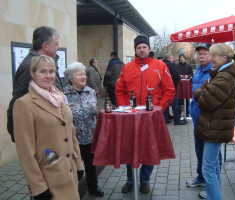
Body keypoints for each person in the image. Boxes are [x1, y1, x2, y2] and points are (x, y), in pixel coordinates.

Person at [13, 55, 84, 200]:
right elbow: (25, 151)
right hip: (49, 178)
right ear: (32, 74)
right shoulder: (24, 104)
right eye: (42, 71)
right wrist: (37, 186)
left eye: (51, 71)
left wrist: (78, 164)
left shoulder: (59, 97)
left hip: (69, 173)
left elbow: (71, 133)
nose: (48, 76)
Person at [115, 35, 175, 193]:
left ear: (149, 49)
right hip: (131, 117)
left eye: (144, 47)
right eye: (139, 47)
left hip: (152, 117)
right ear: (135, 50)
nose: (142, 50)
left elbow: (169, 91)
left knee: (150, 148)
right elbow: (119, 90)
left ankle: (144, 180)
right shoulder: (127, 68)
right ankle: (130, 179)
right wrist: (125, 107)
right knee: (130, 148)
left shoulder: (160, 66)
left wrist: (160, 108)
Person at [194, 43, 235, 199]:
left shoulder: (224, 77)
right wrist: (205, 88)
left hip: (214, 127)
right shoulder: (222, 74)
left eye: (214, 56)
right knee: (213, 165)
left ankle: (214, 197)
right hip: (215, 126)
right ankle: (215, 195)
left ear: (224, 58)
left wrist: (202, 90)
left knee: (208, 168)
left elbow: (204, 101)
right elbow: (205, 93)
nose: (211, 59)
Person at [7, 26, 62, 142]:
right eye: (56, 44)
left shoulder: (43, 62)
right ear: (46, 46)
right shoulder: (29, 66)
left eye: (51, 72)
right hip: (37, 133)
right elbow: (19, 101)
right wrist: (19, 135)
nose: (59, 47)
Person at [64, 62, 105, 197]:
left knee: (91, 164)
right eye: (79, 74)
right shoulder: (63, 95)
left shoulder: (91, 91)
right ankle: (71, 191)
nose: (83, 77)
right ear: (71, 78)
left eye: (84, 74)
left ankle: (93, 187)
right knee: (73, 166)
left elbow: (94, 113)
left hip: (89, 136)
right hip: (72, 138)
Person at [186, 43, 212, 197]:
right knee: (199, 151)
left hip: (208, 121)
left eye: (205, 53)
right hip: (197, 119)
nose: (201, 56)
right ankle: (201, 177)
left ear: (212, 55)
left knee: (211, 156)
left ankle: (212, 185)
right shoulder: (198, 72)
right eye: (200, 53)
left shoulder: (214, 72)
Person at [162, 54, 187, 125]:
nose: (173, 60)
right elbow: (176, 75)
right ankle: (177, 120)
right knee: (174, 103)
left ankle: (166, 119)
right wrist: (178, 78)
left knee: (165, 103)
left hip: (163, 87)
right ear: (169, 58)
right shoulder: (171, 65)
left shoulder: (161, 64)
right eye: (172, 58)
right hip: (171, 86)